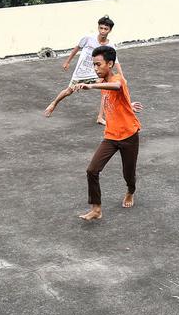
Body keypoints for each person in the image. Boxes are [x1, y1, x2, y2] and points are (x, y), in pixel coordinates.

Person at [75, 46, 143, 221]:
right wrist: (128, 105)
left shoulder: (117, 79)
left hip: (129, 135)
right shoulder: (104, 82)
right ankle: (96, 209)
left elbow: (118, 86)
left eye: (98, 64)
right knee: (92, 170)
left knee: (128, 173)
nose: (95, 68)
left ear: (110, 64)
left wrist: (91, 86)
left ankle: (130, 191)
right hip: (111, 136)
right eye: (94, 65)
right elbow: (116, 98)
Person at [44, 16, 120, 123]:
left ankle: (100, 117)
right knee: (69, 91)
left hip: (96, 72)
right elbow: (77, 48)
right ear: (98, 28)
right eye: (101, 28)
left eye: (105, 29)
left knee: (106, 89)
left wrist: (122, 76)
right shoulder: (88, 38)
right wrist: (67, 62)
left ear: (110, 30)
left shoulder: (110, 46)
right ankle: (54, 103)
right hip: (81, 72)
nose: (103, 31)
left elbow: (115, 61)